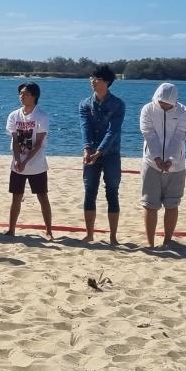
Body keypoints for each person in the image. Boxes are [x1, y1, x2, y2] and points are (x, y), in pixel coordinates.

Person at [139, 83, 186, 248]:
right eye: (161, 104)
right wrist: (157, 158)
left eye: (168, 105)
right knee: (150, 204)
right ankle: (150, 242)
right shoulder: (147, 109)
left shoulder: (183, 111)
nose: (164, 107)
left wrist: (170, 159)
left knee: (172, 204)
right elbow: (149, 134)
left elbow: (180, 136)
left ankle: (168, 240)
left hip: (177, 166)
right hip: (151, 163)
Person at [80, 65, 125, 244]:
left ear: (106, 82)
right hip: (91, 153)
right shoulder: (85, 104)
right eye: (92, 78)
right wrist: (87, 148)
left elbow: (113, 130)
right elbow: (85, 127)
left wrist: (100, 151)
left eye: (97, 78)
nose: (93, 81)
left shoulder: (118, 104)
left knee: (112, 191)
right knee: (89, 190)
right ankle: (89, 233)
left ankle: (113, 236)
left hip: (111, 153)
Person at [6, 82, 52, 239]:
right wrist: (18, 160)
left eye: (25, 93)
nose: (22, 96)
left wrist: (26, 161)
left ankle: (49, 230)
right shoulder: (14, 115)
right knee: (16, 197)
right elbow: (14, 140)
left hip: (36, 164)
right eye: (20, 93)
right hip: (17, 163)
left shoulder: (41, 116)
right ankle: (11, 229)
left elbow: (39, 143)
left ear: (34, 96)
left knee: (42, 197)